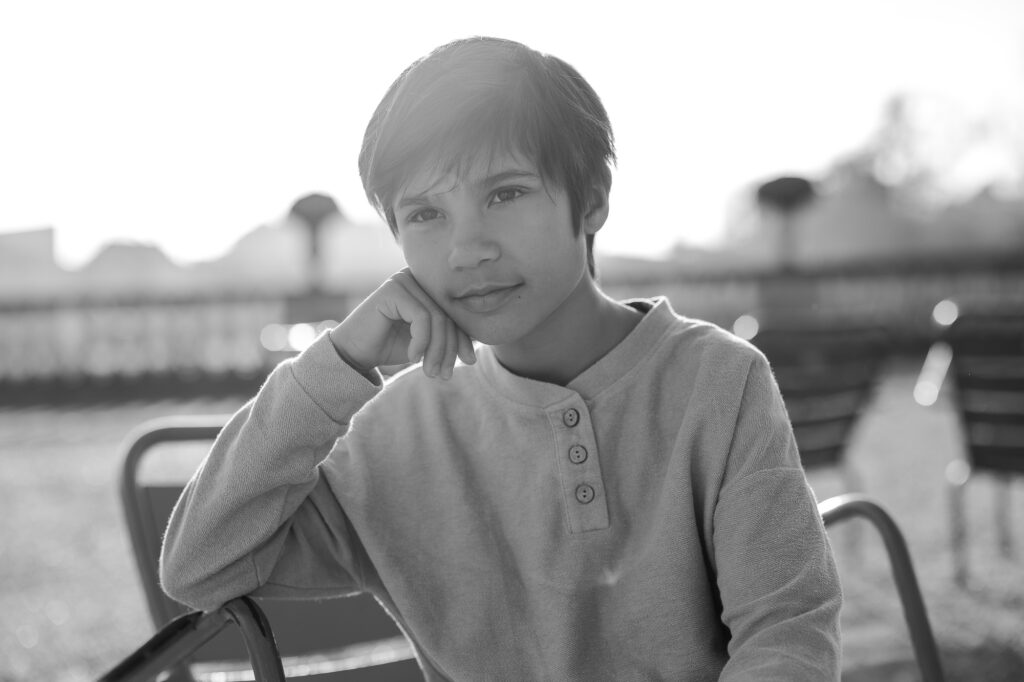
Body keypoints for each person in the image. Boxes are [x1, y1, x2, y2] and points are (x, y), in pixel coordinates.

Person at [160, 36, 842, 680]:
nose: (468, 248)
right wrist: (336, 360)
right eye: (426, 214)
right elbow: (200, 566)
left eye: (505, 193)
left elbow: (785, 631)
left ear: (593, 199)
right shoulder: (387, 435)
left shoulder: (718, 381)